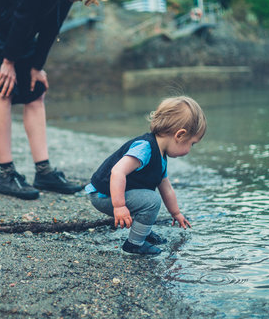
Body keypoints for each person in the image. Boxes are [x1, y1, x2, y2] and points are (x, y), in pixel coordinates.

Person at [0, 0, 105, 200]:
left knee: (36, 90)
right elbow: (26, 10)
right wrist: (8, 61)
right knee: (4, 87)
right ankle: (6, 175)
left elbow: (54, 20)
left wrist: (37, 66)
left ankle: (44, 172)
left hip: (16, 23)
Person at [86, 96, 206, 255]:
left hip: (116, 193)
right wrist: (119, 206)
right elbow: (117, 171)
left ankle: (142, 230)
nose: (190, 149)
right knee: (151, 201)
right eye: (192, 143)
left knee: (149, 197)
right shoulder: (145, 148)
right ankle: (134, 244)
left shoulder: (161, 155)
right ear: (179, 135)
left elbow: (166, 187)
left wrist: (176, 213)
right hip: (104, 195)